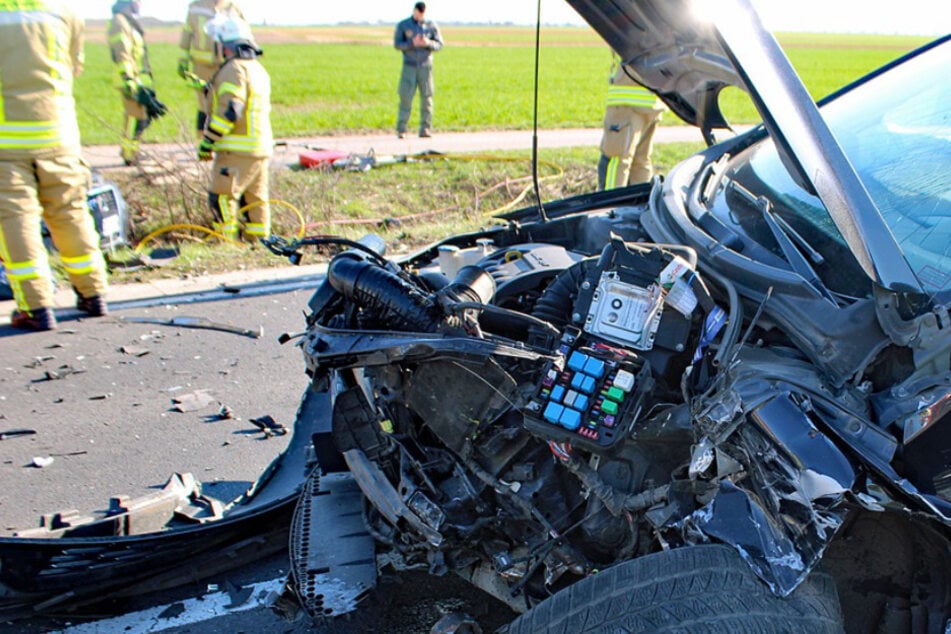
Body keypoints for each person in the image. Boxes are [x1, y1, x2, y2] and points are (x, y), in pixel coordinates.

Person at [0, 2, 109, 332]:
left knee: (16, 218)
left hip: (6, 139)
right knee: (71, 212)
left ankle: (36, 307)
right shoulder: (65, 9)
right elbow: (75, 67)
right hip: (60, 135)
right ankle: (93, 294)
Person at [198, 16, 273, 244]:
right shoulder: (257, 69)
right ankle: (260, 245)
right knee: (255, 202)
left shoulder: (234, 70)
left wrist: (208, 141)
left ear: (224, 46)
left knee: (222, 197)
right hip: (259, 148)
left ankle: (226, 244)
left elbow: (231, 110)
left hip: (236, 151)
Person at [178, 0, 250, 136]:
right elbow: (187, 33)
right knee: (205, 106)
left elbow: (244, 32)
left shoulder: (233, 8)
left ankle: (224, 140)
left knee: (227, 103)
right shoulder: (195, 7)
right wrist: (183, 60)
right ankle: (202, 141)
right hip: (202, 66)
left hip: (227, 64)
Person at [109, 0, 166, 166]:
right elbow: (122, 52)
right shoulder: (119, 21)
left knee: (138, 115)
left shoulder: (128, 21)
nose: (140, 4)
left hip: (136, 78)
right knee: (136, 117)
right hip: (128, 78)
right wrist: (128, 78)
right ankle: (129, 154)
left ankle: (131, 151)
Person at [597, 61, 667, 190]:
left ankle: (610, 206)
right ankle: (640, 206)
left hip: (627, 104)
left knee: (616, 160)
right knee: (640, 161)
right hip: (651, 102)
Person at [394, 2, 444, 139]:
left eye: (423, 13)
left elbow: (439, 44)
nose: (420, 15)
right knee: (406, 97)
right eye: (418, 13)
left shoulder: (431, 25)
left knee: (427, 97)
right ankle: (402, 129)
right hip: (409, 65)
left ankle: (425, 129)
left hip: (425, 66)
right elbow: (397, 44)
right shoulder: (403, 25)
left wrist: (428, 43)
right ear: (414, 11)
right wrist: (412, 44)